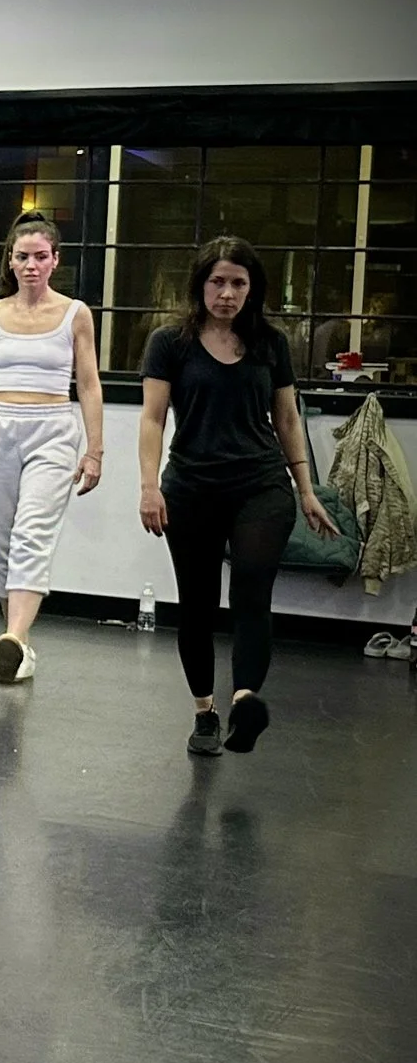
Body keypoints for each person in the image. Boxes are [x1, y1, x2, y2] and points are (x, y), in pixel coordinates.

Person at [139, 237, 338, 756]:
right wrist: (149, 486)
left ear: (253, 289)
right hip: (191, 486)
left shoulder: (270, 343)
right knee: (198, 603)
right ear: (200, 285)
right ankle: (205, 712)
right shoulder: (169, 342)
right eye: (218, 282)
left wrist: (306, 489)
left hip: (261, 484)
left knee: (252, 586)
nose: (227, 293)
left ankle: (245, 700)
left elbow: (287, 418)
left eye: (238, 284)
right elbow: (153, 419)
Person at [0, 214, 104, 682]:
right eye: (23, 257)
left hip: (52, 430)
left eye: (40, 257)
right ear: (10, 261)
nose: (31, 265)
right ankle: (18, 643)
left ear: (55, 261)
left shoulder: (75, 314)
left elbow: (88, 384)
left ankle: (13, 636)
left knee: (32, 533)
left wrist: (95, 450)